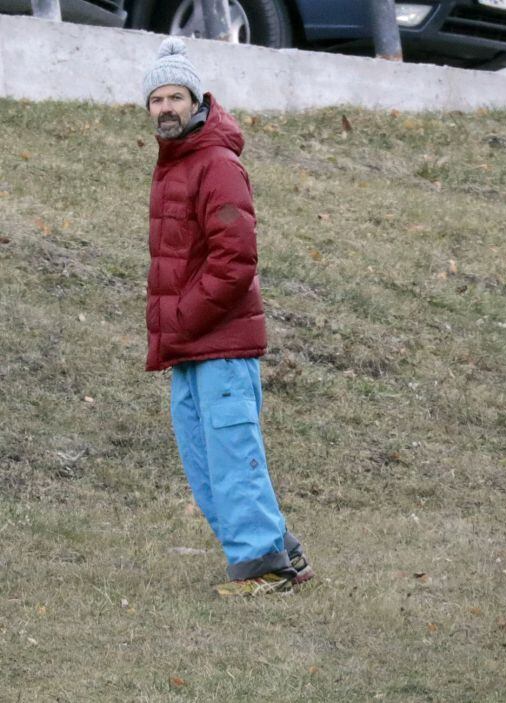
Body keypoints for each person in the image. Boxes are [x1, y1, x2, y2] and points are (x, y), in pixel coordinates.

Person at [142, 37, 312, 596]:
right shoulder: (176, 164)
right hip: (191, 345)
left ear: (196, 101)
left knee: (232, 458)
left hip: (218, 342)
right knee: (206, 463)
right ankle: (280, 549)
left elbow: (235, 261)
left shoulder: (216, 163)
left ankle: (263, 567)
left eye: (175, 97)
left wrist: (184, 318)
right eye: (156, 99)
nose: (166, 107)